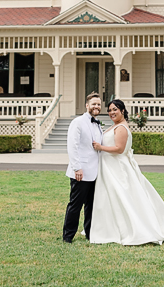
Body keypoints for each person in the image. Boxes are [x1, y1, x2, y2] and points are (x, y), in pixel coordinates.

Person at [89, 98, 164, 245]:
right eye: (110, 110)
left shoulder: (120, 128)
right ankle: (108, 227)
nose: (112, 112)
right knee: (111, 198)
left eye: (115, 109)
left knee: (122, 198)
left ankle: (127, 229)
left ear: (122, 111)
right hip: (110, 167)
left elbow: (119, 149)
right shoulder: (116, 125)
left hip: (117, 168)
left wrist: (101, 148)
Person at [62, 92, 103, 243]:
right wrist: (76, 167)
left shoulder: (97, 123)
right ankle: (68, 236)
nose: (96, 106)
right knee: (75, 205)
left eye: (98, 104)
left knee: (91, 206)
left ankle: (89, 233)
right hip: (81, 172)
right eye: (93, 104)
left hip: (95, 172)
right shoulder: (78, 122)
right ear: (87, 106)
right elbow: (72, 146)